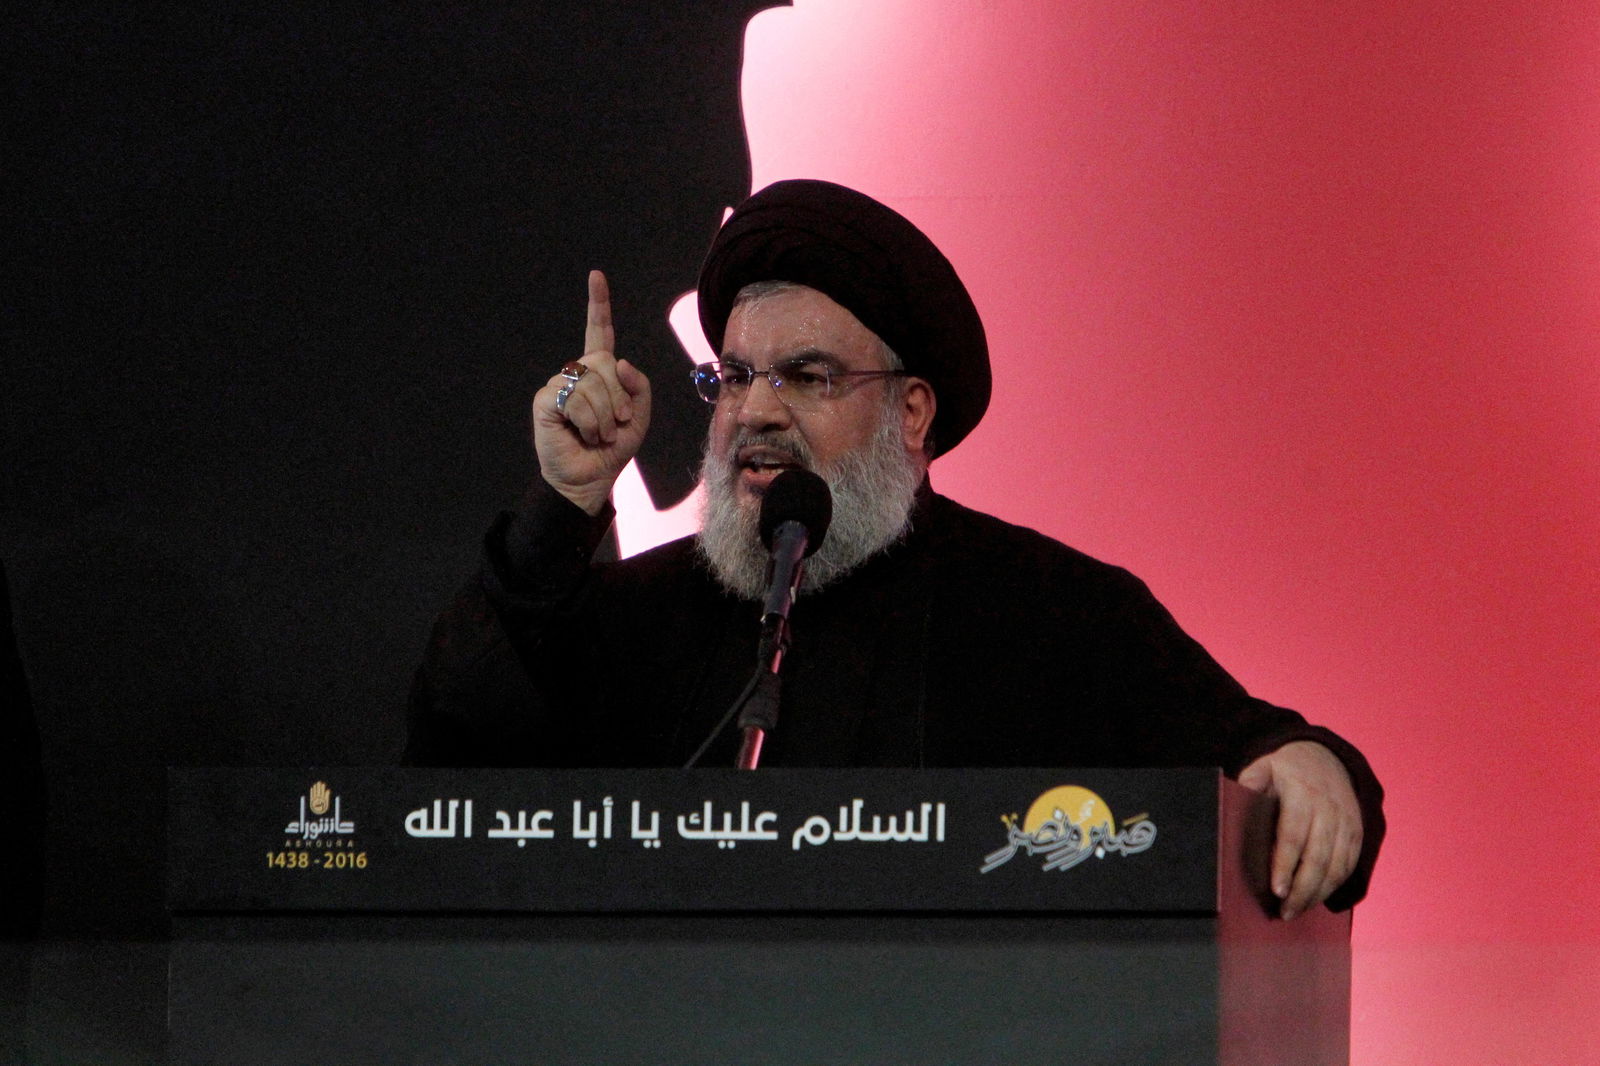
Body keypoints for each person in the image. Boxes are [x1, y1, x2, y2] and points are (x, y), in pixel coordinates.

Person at [406, 179, 1384, 917]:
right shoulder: (644, 612)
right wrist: (566, 503)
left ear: (910, 411)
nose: (754, 412)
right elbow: (445, 774)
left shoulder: (1048, 611)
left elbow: (1260, 759)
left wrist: (1300, 758)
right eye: (736, 375)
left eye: (806, 375)